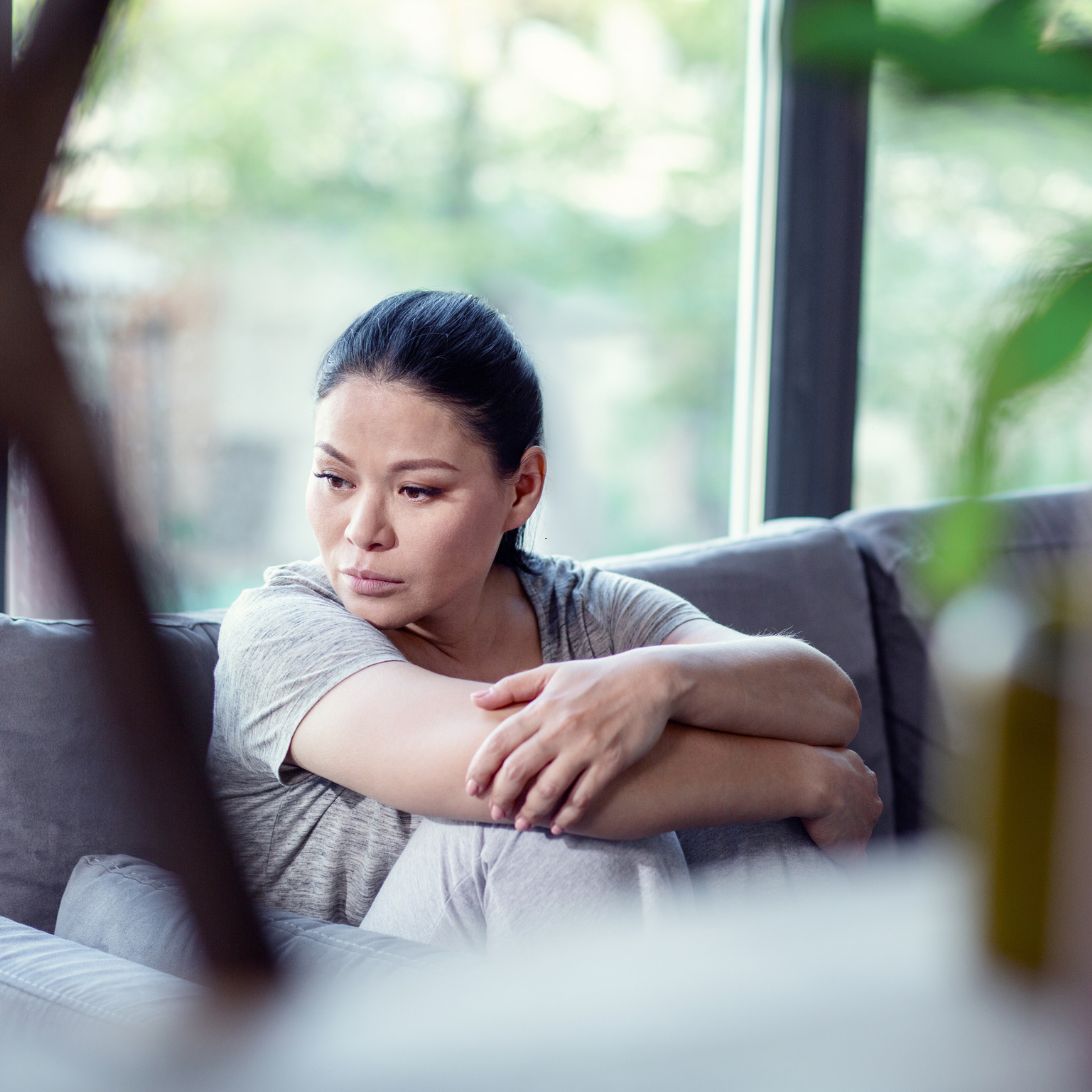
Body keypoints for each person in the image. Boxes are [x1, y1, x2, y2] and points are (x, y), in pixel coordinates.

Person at [207, 289, 882, 951]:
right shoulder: (279, 630)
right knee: (550, 825)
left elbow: (826, 701)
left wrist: (658, 682)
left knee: (739, 826)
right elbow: (518, 775)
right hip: (363, 1003)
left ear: (522, 488)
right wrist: (814, 780)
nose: (363, 530)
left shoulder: (581, 608)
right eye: (334, 479)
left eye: (416, 490)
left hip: (576, 995)